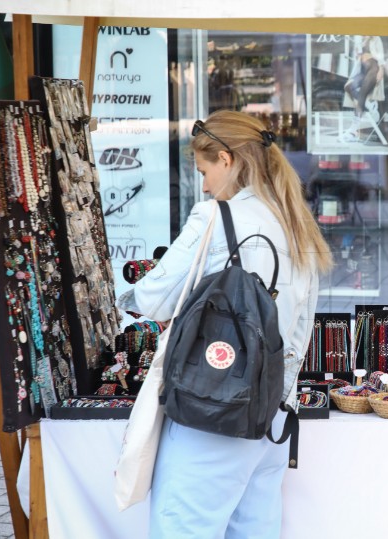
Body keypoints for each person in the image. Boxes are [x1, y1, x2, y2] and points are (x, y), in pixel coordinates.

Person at [117, 110, 332, 538]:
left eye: (204, 169)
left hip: (213, 411)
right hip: (270, 418)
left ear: (227, 159)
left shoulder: (216, 217)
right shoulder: (295, 223)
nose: (204, 183)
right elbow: (300, 329)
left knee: (182, 528)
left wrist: (121, 297)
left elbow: (155, 298)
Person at [338, 35, 386, 142]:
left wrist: (381, 69)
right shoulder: (360, 39)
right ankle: (370, 105)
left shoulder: (376, 38)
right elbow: (358, 57)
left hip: (373, 69)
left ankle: (353, 131)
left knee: (362, 95)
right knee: (348, 86)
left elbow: (381, 55)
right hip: (363, 70)